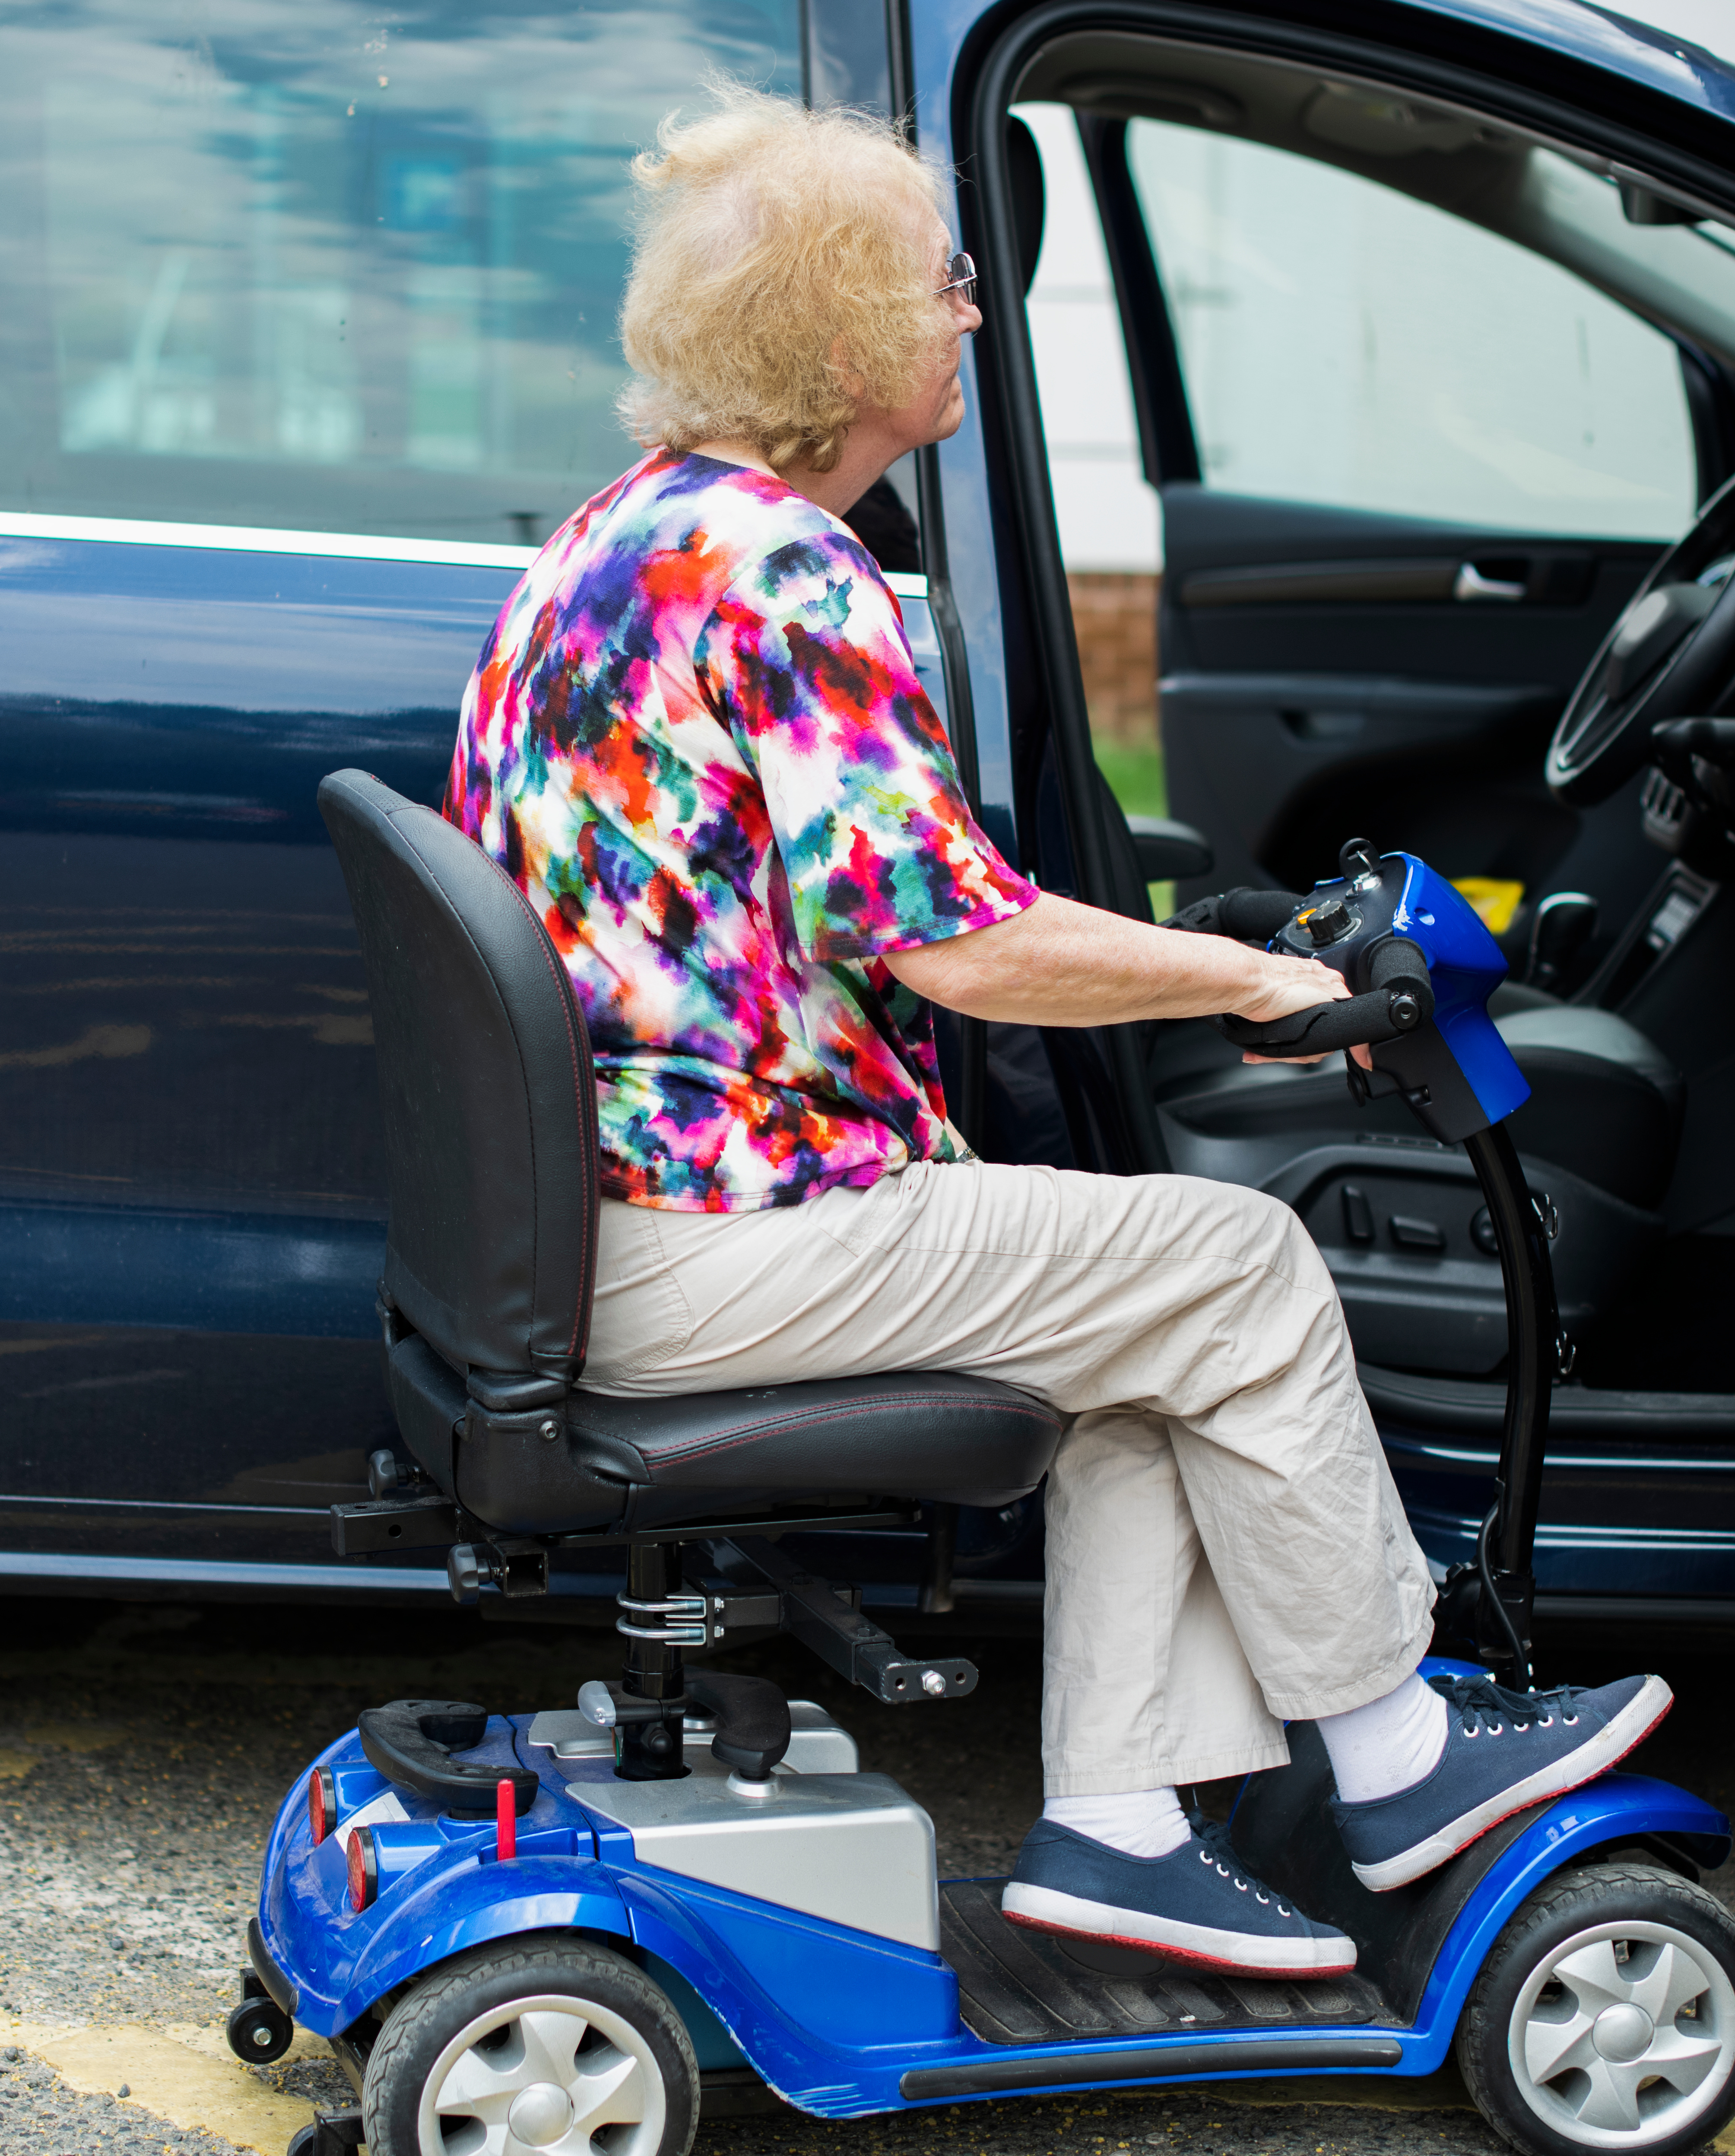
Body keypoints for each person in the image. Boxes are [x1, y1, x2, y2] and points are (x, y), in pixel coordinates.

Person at [444, 88, 1666, 1978]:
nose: (970, 312)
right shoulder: (783, 567)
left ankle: (1114, 1829)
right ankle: (1401, 1753)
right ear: (849, 339)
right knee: (1240, 1263)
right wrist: (1256, 982)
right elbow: (954, 946)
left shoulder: (622, 539)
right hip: (715, 1237)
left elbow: (871, 911)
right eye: (944, 282)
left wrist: (1187, 945)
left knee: (1130, 1332)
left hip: (611, 1217)